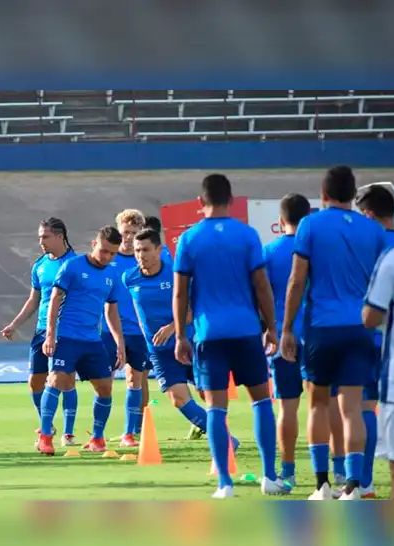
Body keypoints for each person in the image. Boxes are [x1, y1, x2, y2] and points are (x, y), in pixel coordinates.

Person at [173, 173, 288, 498]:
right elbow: (261, 285)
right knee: (262, 400)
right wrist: (272, 327)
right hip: (246, 330)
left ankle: (225, 483)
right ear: (232, 199)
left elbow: (180, 293)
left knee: (215, 408)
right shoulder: (247, 235)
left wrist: (181, 334)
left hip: (209, 334)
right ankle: (269, 477)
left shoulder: (189, 238)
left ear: (200, 202)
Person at [280, 165, 386, 501]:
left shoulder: (310, 224)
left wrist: (286, 328)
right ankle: (354, 485)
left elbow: (297, 280)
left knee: (318, 406)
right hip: (360, 328)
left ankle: (322, 485)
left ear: (323, 194)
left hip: (322, 328)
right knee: (353, 408)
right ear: (354, 196)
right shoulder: (373, 230)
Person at [38, 226, 125, 456]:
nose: (107, 257)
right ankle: (45, 436)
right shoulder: (73, 266)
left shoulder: (112, 274)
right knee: (56, 380)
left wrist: (119, 343)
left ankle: (97, 438)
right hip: (67, 336)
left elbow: (111, 311)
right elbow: (55, 299)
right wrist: (50, 335)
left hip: (92, 340)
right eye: (104, 251)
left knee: (105, 386)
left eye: (112, 253)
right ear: (94, 244)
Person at [124, 229, 210, 438]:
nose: (140, 255)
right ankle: (224, 439)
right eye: (137, 250)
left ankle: (212, 428)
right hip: (160, 350)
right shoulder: (130, 278)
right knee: (178, 398)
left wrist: (172, 327)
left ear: (158, 250)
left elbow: (193, 310)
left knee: (207, 392)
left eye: (145, 250)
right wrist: (146, 334)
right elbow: (138, 307)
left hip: (188, 342)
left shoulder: (176, 274)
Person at [1, 218, 77, 446]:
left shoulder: (74, 264)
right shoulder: (40, 265)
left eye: (45, 237)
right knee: (35, 381)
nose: (41, 242)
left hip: (66, 330)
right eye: (39, 237)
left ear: (59, 236)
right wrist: (14, 324)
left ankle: (68, 433)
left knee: (65, 381)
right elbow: (35, 299)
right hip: (41, 330)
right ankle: (48, 423)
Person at [354, 184, 394, 498]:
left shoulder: (372, 244)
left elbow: (369, 303)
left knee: (364, 407)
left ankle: (365, 482)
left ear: (369, 214)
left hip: (375, 340)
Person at [263, 193, 312, 490]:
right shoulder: (317, 250)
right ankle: (340, 472)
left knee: (287, 408)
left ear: (280, 222)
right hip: (318, 332)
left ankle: (288, 473)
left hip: (282, 336)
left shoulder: (268, 252)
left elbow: (261, 295)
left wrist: (268, 329)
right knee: (326, 405)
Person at [101, 209, 152, 448]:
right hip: (109, 331)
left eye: (133, 233)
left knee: (135, 380)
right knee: (104, 381)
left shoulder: (145, 260)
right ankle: (97, 434)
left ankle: (130, 433)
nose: (128, 238)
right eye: (124, 233)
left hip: (138, 332)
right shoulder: (109, 260)